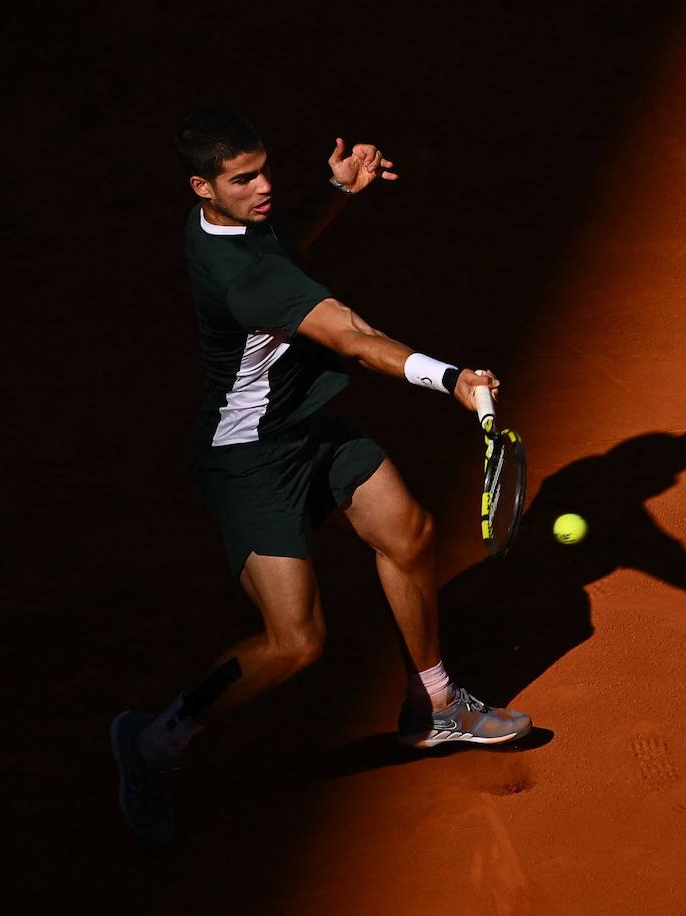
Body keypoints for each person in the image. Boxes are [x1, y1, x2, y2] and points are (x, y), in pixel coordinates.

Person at [110, 107, 532, 843]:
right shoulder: (241, 279)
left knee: (409, 532)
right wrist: (454, 379)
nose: (264, 185)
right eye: (244, 179)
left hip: (309, 426)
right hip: (251, 462)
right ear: (201, 186)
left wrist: (335, 192)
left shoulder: (224, 223)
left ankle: (435, 705)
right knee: (295, 642)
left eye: (265, 168)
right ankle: (151, 741)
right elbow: (355, 337)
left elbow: (281, 240)